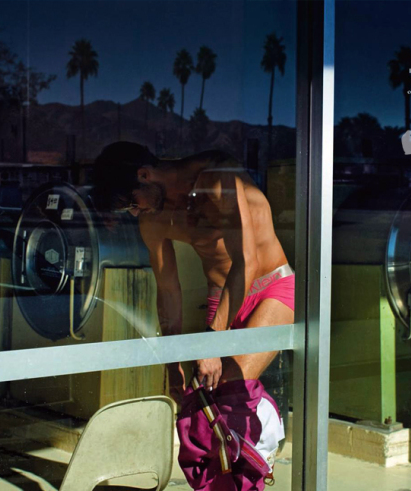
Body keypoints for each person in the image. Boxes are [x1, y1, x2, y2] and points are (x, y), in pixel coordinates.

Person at [91, 142, 295, 401]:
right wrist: (172, 362)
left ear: (144, 175)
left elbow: (246, 261)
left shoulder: (216, 177)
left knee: (228, 388)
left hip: (271, 286)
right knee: (203, 399)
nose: (133, 213)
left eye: (132, 202)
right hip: (223, 298)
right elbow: (168, 290)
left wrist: (212, 343)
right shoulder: (152, 218)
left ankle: (264, 421)